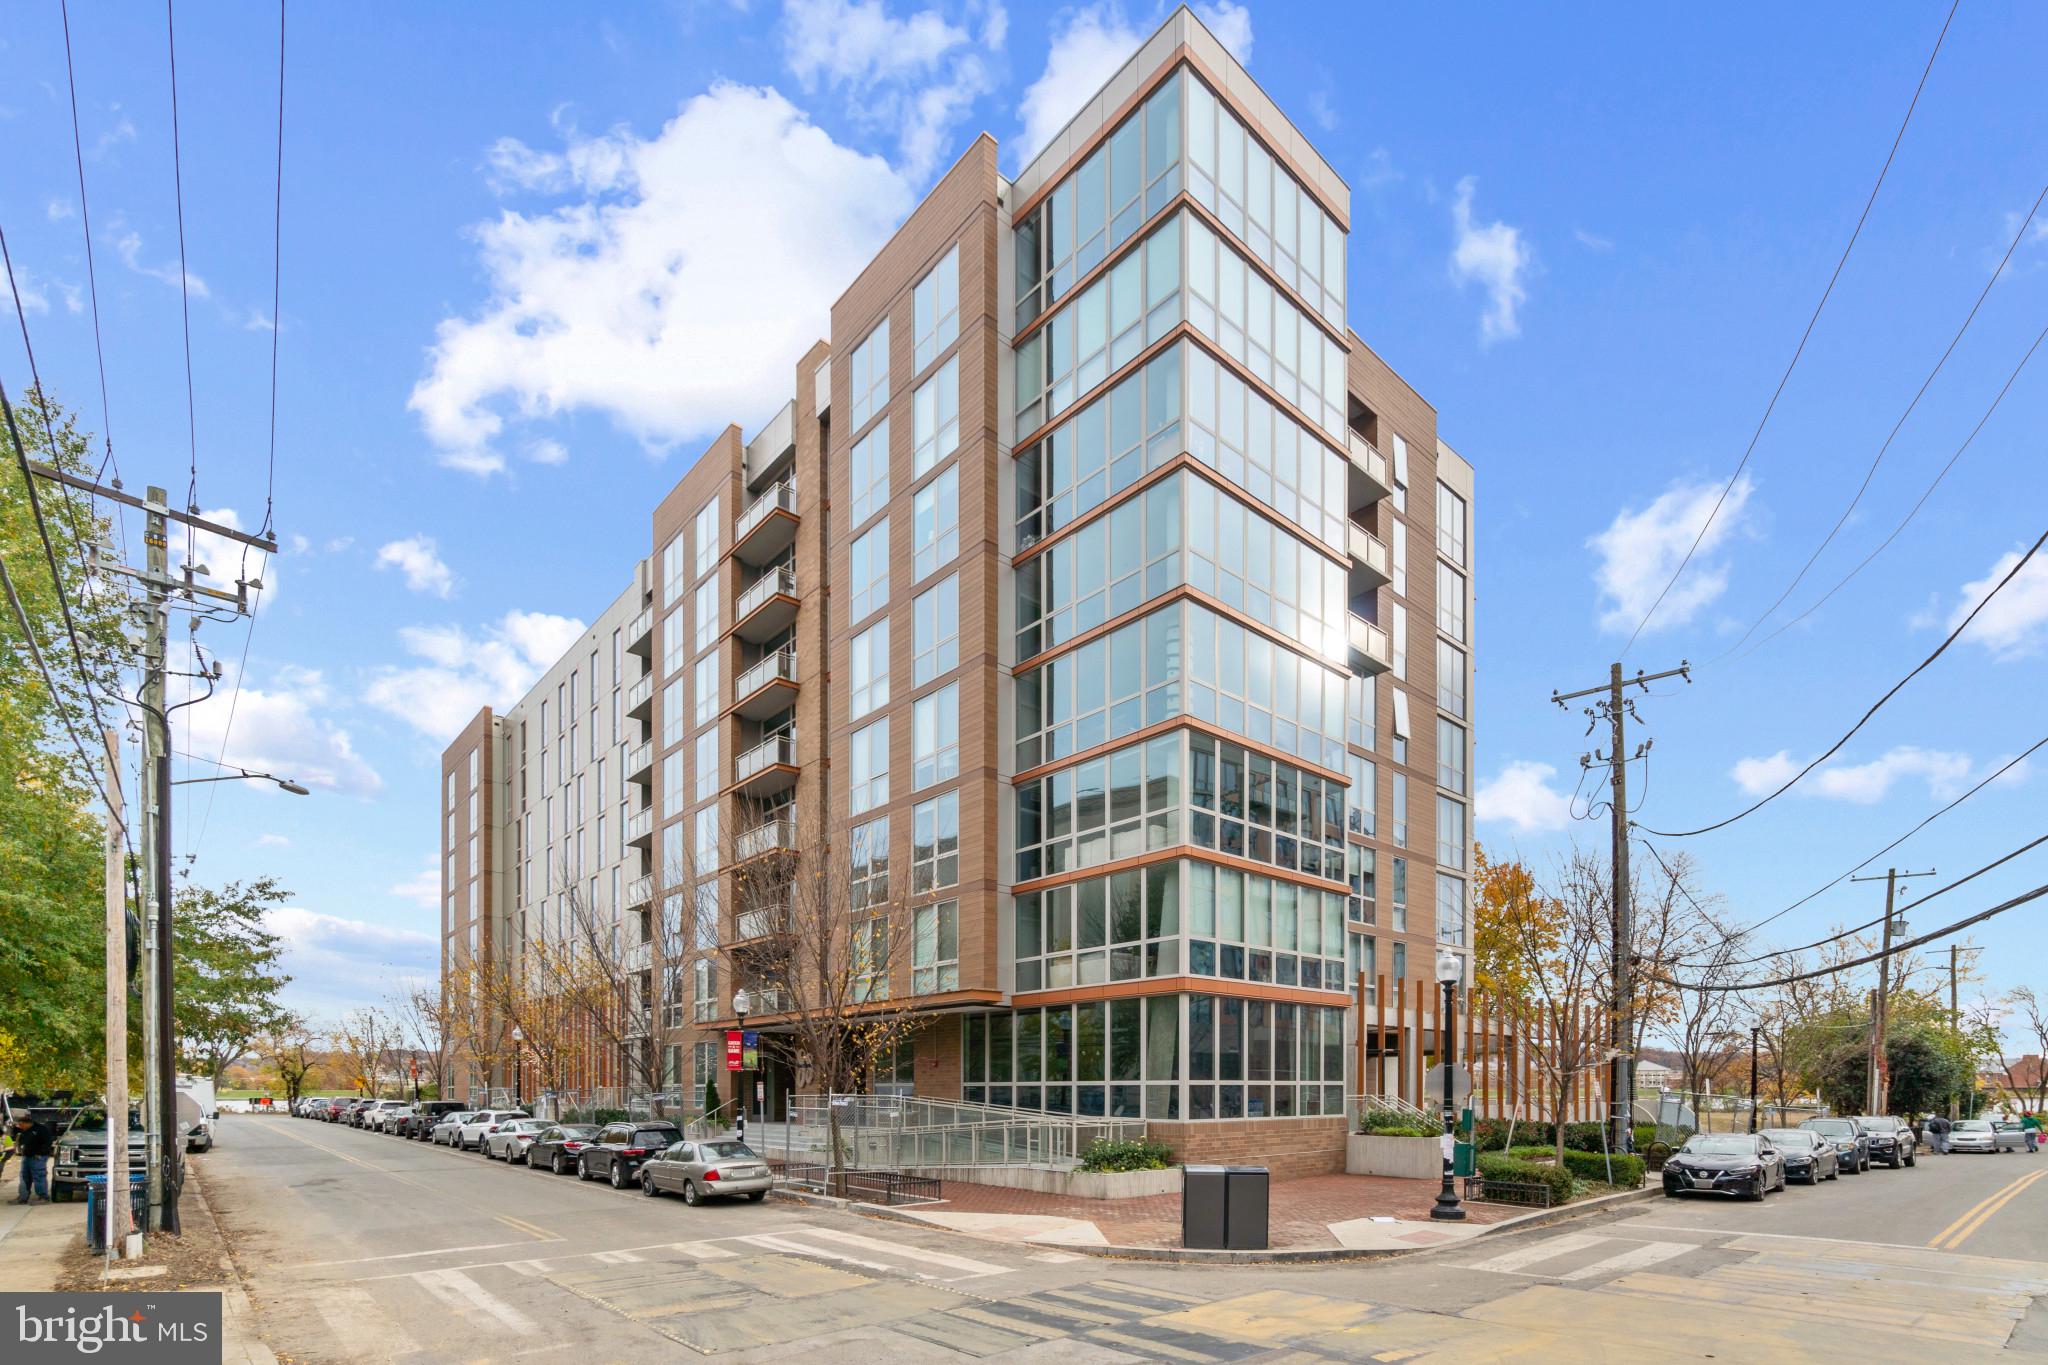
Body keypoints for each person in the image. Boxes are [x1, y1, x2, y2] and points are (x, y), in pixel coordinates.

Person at [8, 1113, 55, 1204]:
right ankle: (23, 1197)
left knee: (39, 1176)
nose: (21, 1127)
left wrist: (40, 1153)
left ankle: (43, 1197)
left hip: (37, 1157)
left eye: (22, 1125)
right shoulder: (24, 1131)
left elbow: (48, 1142)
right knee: (24, 1176)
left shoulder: (41, 1129)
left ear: (27, 1123)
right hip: (27, 1156)